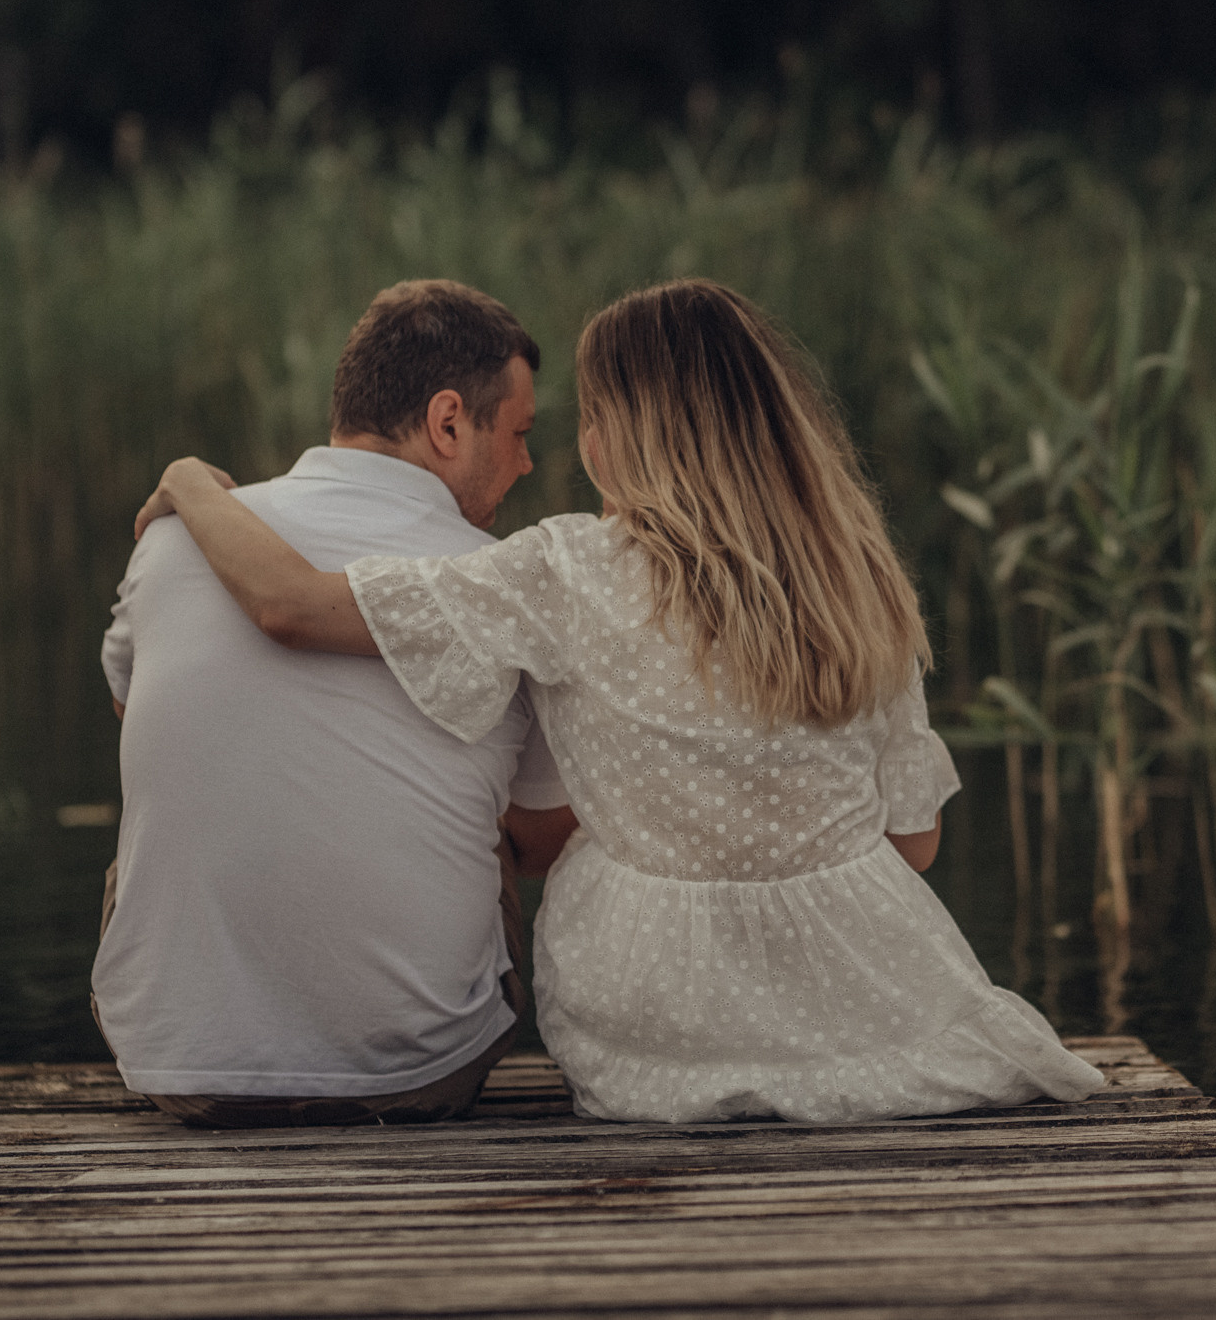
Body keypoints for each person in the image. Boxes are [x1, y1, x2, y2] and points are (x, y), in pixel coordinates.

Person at [134, 277, 1105, 1124]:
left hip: (655, 1030)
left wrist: (189, 482)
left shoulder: (566, 570)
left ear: (625, 437)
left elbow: (290, 604)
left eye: (589, 418)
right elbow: (914, 846)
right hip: (870, 1004)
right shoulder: (862, 579)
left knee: (577, 829)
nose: (572, 443)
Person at [95, 278, 578, 1128]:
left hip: (179, 1069)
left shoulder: (173, 536)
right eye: (519, 433)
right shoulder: (494, 579)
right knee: (489, 819)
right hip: (418, 1070)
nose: (527, 463)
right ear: (448, 422)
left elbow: (139, 721)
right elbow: (538, 839)